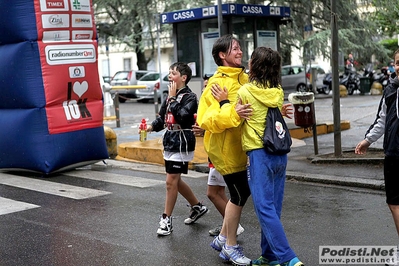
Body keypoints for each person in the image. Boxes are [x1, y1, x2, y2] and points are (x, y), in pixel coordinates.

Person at [232, 46, 303, 266]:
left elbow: (235, 120)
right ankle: (269, 256)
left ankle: (289, 258)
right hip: (280, 154)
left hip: (259, 153)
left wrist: (226, 103)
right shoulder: (277, 91)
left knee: (264, 207)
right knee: (273, 207)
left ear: (253, 65)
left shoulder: (244, 92)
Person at [196, 34, 253, 265]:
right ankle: (230, 246)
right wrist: (231, 111)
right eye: (235, 49)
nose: (240, 52)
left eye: (240, 48)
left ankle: (221, 238)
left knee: (240, 193)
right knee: (239, 194)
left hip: (242, 148)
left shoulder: (244, 78)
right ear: (223, 55)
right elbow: (205, 119)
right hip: (225, 150)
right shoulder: (216, 83)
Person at [144, 62, 208, 236]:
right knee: (176, 181)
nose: (169, 76)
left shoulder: (190, 97)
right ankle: (197, 207)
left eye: (173, 73)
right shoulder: (171, 96)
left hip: (182, 142)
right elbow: (163, 118)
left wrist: (172, 98)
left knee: (170, 181)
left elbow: (183, 116)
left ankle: (166, 220)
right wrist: (150, 127)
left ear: (183, 77)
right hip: (170, 141)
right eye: (169, 73)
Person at [355, 48, 399, 265]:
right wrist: (367, 140)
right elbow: (382, 119)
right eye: (398, 62)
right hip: (393, 152)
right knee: (394, 203)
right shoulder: (391, 89)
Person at [193, 74, 245, 237]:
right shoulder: (209, 101)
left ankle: (232, 228)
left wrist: (206, 128)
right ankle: (228, 228)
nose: (207, 87)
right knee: (219, 193)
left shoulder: (230, 95)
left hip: (223, 152)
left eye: (210, 85)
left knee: (218, 193)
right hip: (217, 153)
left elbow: (225, 120)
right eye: (206, 85)